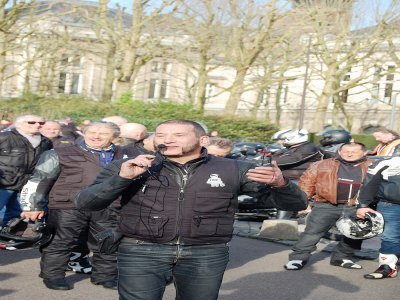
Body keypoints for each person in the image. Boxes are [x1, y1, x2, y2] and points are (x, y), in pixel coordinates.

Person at [75, 119, 307, 300]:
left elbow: (296, 204)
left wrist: (282, 184)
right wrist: (122, 178)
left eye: (178, 135)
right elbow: (86, 203)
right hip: (141, 249)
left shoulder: (234, 168)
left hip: (205, 252)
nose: (168, 139)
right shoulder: (131, 165)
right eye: (162, 135)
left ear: (203, 140)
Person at [20, 121, 125, 291]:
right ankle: (52, 275)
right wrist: (32, 206)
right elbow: (39, 180)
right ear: (84, 133)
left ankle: (105, 276)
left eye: (103, 133)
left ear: (114, 137)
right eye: (92, 132)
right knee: (61, 241)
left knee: (108, 241)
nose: (96, 136)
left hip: (109, 206)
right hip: (68, 206)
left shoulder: (125, 154)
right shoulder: (59, 152)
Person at [284, 142, 371, 271]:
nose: (349, 153)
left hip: (356, 207)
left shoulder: (372, 166)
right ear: (340, 152)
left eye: (354, 151)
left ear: (364, 153)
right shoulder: (322, 164)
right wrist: (303, 202)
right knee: (312, 233)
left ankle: (342, 258)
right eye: (346, 151)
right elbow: (307, 183)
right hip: (326, 205)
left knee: (355, 234)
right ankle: (297, 258)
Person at [0, 114, 53, 225]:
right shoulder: (5, 137)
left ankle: (7, 239)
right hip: (3, 185)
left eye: (41, 123)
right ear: (20, 124)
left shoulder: (46, 142)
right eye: (32, 122)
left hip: (26, 186)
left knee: (16, 216)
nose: (37, 125)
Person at [356, 156, 400, 279]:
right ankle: (387, 267)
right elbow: (370, 184)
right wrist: (363, 205)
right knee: (390, 237)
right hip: (391, 205)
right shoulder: (387, 163)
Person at [272, 129, 323, 219]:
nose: (280, 141)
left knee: (285, 190)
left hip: (300, 178)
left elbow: (288, 160)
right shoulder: (292, 149)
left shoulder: (307, 148)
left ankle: (282, 221)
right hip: (289, 177)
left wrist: (270, 160)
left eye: (283, 139)